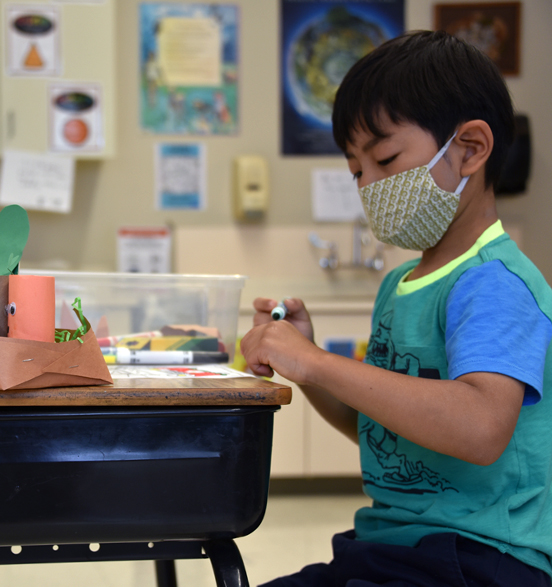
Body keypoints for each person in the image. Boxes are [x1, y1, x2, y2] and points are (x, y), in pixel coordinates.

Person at [241, 30, 552, 586]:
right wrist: (306, 362)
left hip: (482, 559)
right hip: (392, 547)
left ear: (471, 148)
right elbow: (381, 427)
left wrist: (320, 364)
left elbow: (480, 427)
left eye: (385, 158)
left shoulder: (495, 284)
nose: (370, 186)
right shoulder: (401, 284)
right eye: (357, 171)